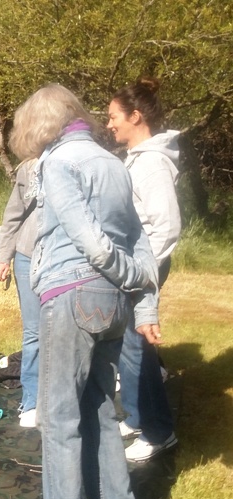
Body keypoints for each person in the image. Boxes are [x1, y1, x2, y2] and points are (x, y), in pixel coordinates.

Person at [8, 84, 159, 499]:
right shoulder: (113, 162)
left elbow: (90, 240)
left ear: (39, 126)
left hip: (73, 295)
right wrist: (140, 294)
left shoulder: (58, 162)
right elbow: (139, 238)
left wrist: (123, 273)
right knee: (96, 405)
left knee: (58, 415)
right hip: (114, 305)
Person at [107, 76, 180, 462]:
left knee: (138, 348)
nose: (109, 124)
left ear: (135, 116)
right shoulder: (137, 159)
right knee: (128, 347)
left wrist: (142, 271)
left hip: (143, 268)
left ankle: (158, 430)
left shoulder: (151, 163)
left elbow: (166, 226)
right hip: (131, 267)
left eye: (114, 116)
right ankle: (137, 416)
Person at [0, 158, 41, 428]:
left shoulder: (80, 160)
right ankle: (32, 401)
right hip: (27, 256)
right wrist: (4, 257)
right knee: (34, 332)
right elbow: (14, 213)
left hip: (68, 261)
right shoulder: (29, 167)